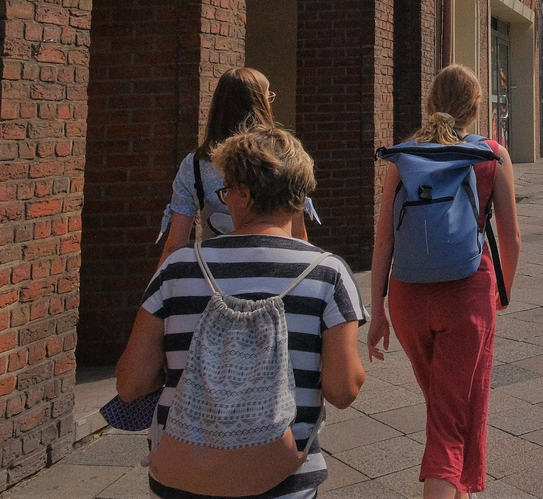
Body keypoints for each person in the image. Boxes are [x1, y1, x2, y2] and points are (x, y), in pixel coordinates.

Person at [117, 125, 366, 499]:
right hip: (281, 478)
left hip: (184, 476)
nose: (226, 200)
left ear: (245, 196)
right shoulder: (328, 274)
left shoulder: (179, 268)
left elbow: (131, 383)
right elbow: (343, 389)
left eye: (226, 190)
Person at [370, 65, 522, 499]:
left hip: (407, 298)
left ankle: (462, 492)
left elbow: (384, 240)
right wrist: (499, 293)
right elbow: (510, 237)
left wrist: (377, 309)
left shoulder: (403, 157)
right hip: (467, 292)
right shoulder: (491, 154)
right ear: (475, 109)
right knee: (450, 420)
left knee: (444, 407)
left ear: (430, 102)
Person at [159, 67, 320, 266]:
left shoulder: (194, 164)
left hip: (217, 274)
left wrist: (158, 290)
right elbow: (298, 236)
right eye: (268, 97)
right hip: (275, 270)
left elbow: (175, 245)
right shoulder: (281, 158)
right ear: (259, 104)